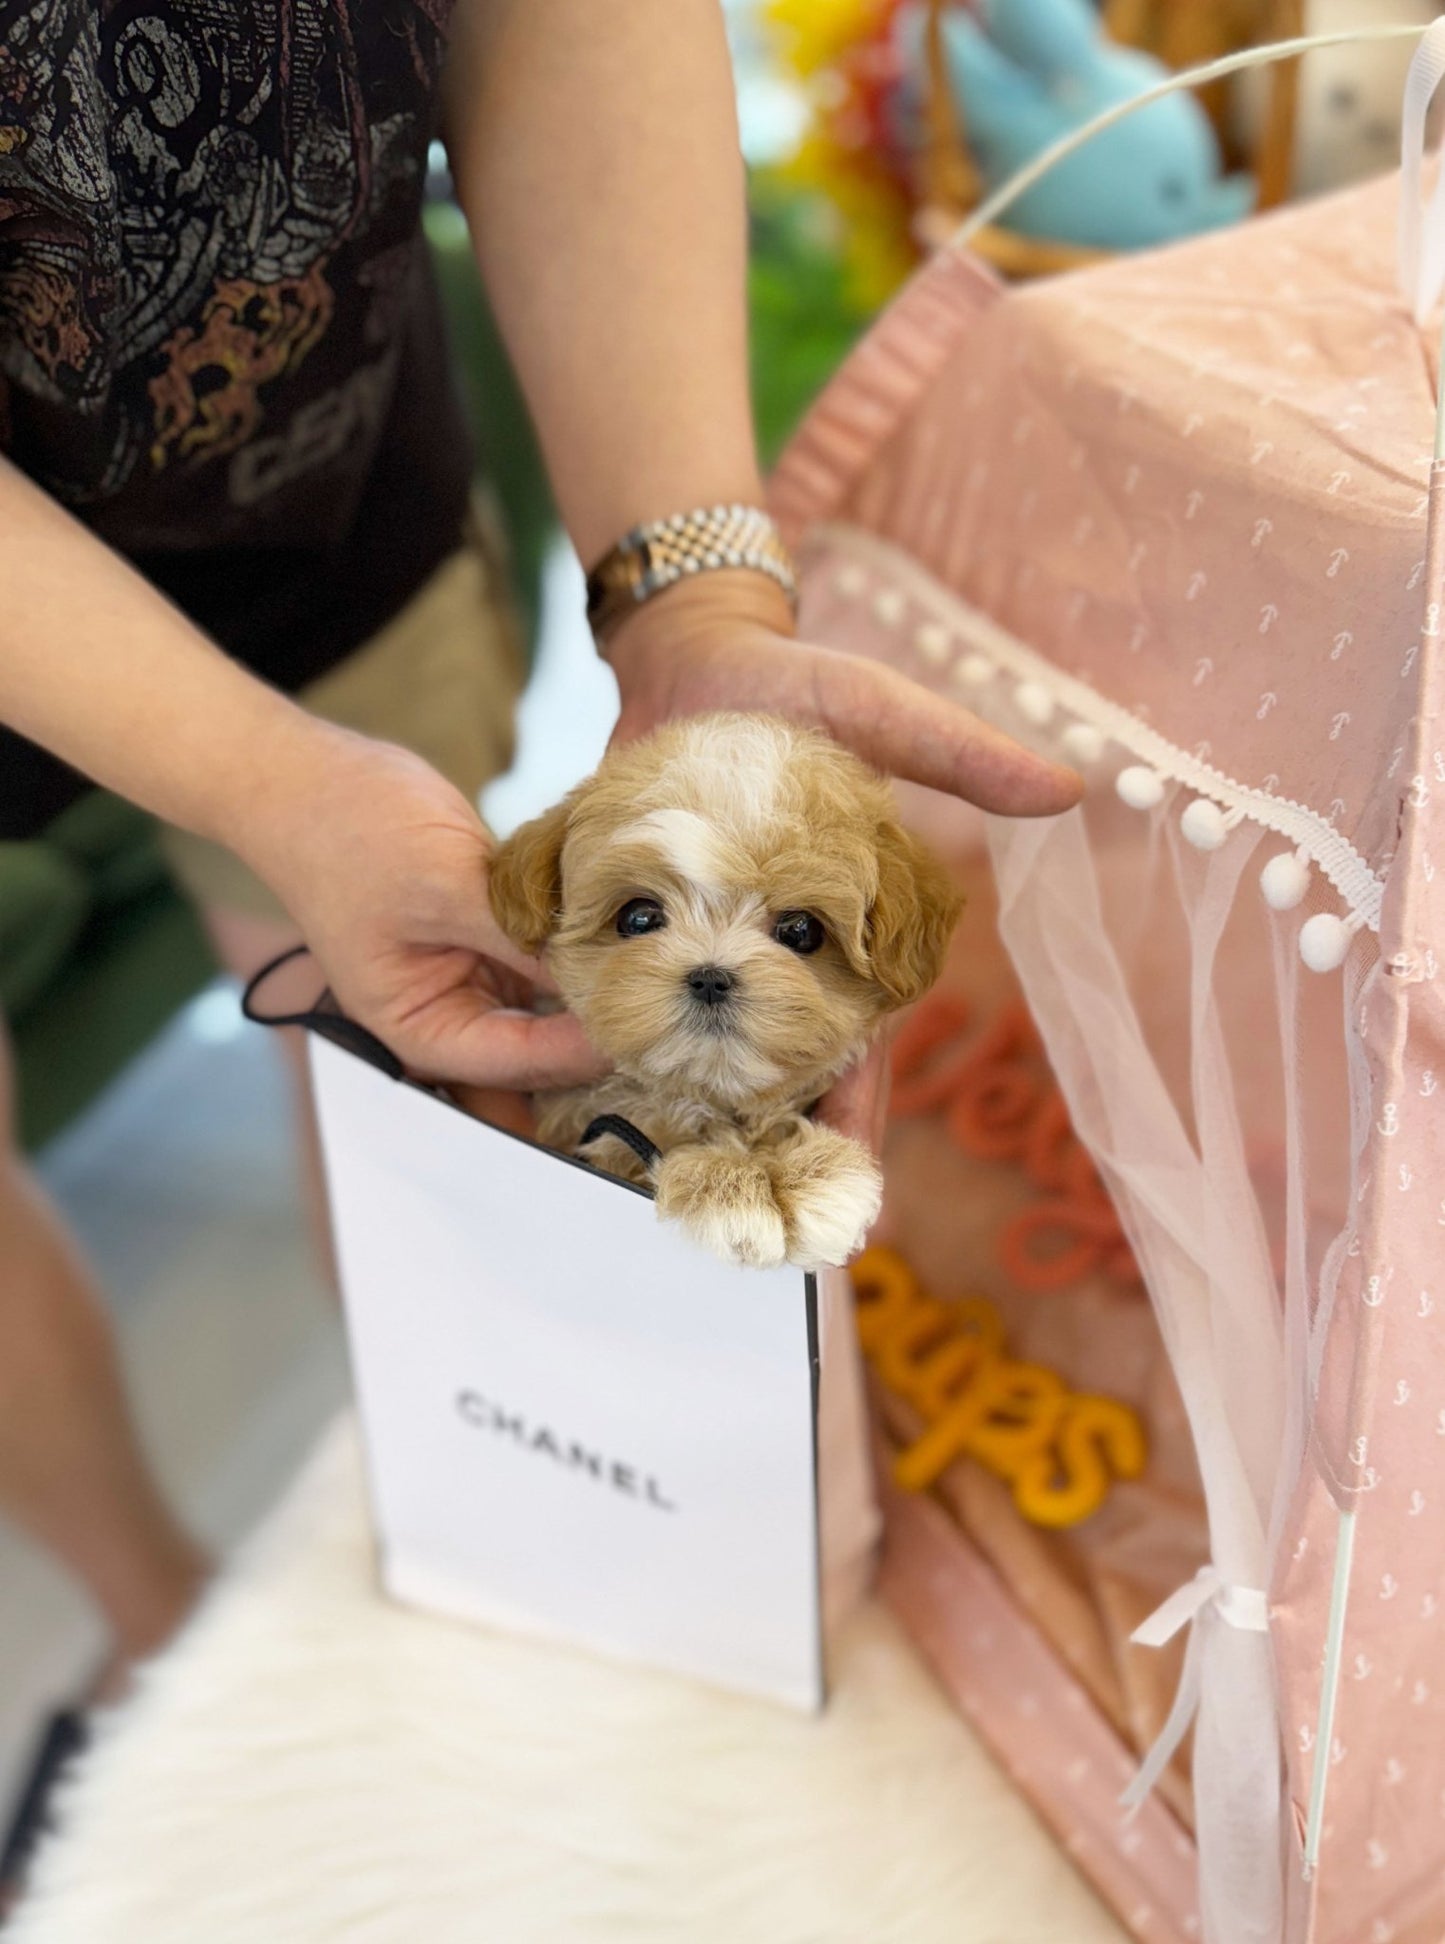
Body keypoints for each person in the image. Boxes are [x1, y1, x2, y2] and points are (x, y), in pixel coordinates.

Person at [0, 0, 1079, 1725]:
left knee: (394, 1064)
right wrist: (252, 776)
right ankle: (155, 1635)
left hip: (318, 479)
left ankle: (471, 1480)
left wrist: (698, 593)